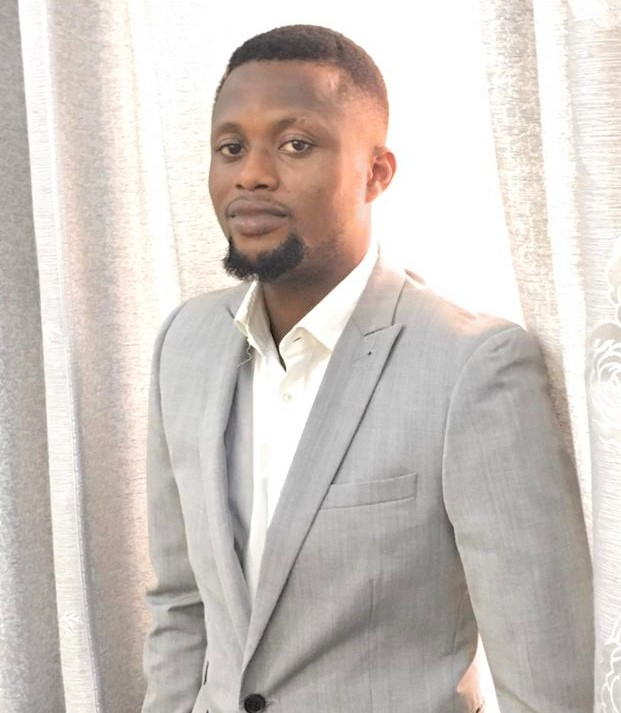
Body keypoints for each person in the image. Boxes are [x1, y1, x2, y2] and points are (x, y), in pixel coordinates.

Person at [142, 24, 594, 713]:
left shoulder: (472, 367)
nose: (251, 174)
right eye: (230, 147)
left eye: (296, 144)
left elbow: (546, 676)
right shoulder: (184, 343)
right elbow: (181, 606)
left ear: (376, 173)